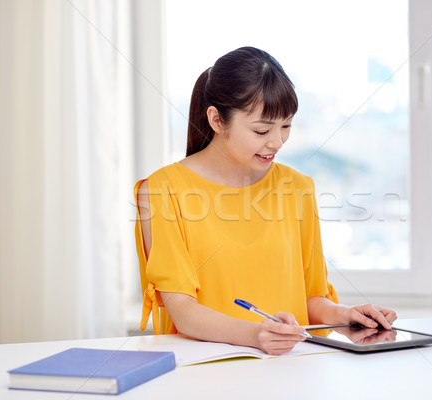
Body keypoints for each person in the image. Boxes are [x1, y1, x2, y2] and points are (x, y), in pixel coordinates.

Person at [134, 46, 396, 355]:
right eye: (261, 130)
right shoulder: (162, 191)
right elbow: (184, 313)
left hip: (291, 371)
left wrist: (346, 316)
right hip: (204, 374)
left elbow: (310, 299)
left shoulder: (297, 188)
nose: (277, 142)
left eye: (285, 126)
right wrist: (257, 334)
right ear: (217, 120)